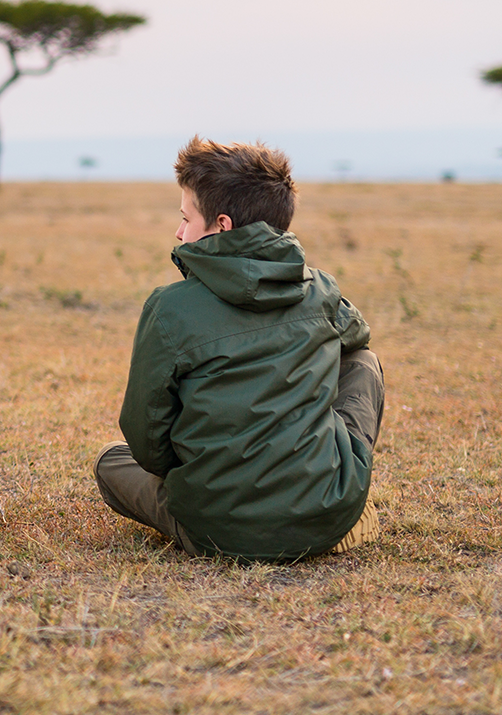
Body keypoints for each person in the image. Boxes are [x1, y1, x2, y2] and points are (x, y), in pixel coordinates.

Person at [95, 137, 385, 559]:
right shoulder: (319, 288)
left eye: (186, 218)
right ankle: (333, 497)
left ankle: (223, 515)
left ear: (223, 225)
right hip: (325, 512)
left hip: (214, 528)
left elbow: (145, 437)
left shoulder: (169, 307)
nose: (179, 232)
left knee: (111, 462)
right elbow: (357, 341)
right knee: (363, 361)